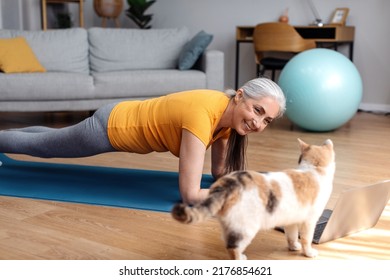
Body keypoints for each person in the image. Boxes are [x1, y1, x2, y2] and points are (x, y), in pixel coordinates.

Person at [0, 78, 286, 204]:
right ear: (239, 96)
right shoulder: (202, 115)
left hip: (118, 113)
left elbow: (219, 174)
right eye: (257, 111)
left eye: (266, 121)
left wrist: (248, 185)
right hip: (109, 128)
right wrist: (236, 195)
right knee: (44, 148)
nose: (258, 123)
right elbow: (190, 195)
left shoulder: (226, 119)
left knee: (49, 138)